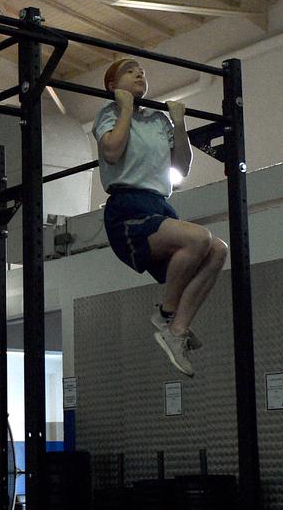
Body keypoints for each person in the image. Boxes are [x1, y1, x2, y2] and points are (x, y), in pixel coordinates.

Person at [92, 58, 228, 377]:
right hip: (127, 207)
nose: (140, 73)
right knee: (199, 238)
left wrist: (178, 123)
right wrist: (124, 108)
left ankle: (177, 330)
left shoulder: (157, 120)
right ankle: (167, 314)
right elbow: (111, 151)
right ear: (112, 86)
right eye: (129, 70)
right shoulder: (108, 114)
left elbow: (180, 166)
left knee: (218, 250)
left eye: (142, 70)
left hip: (158, 204)